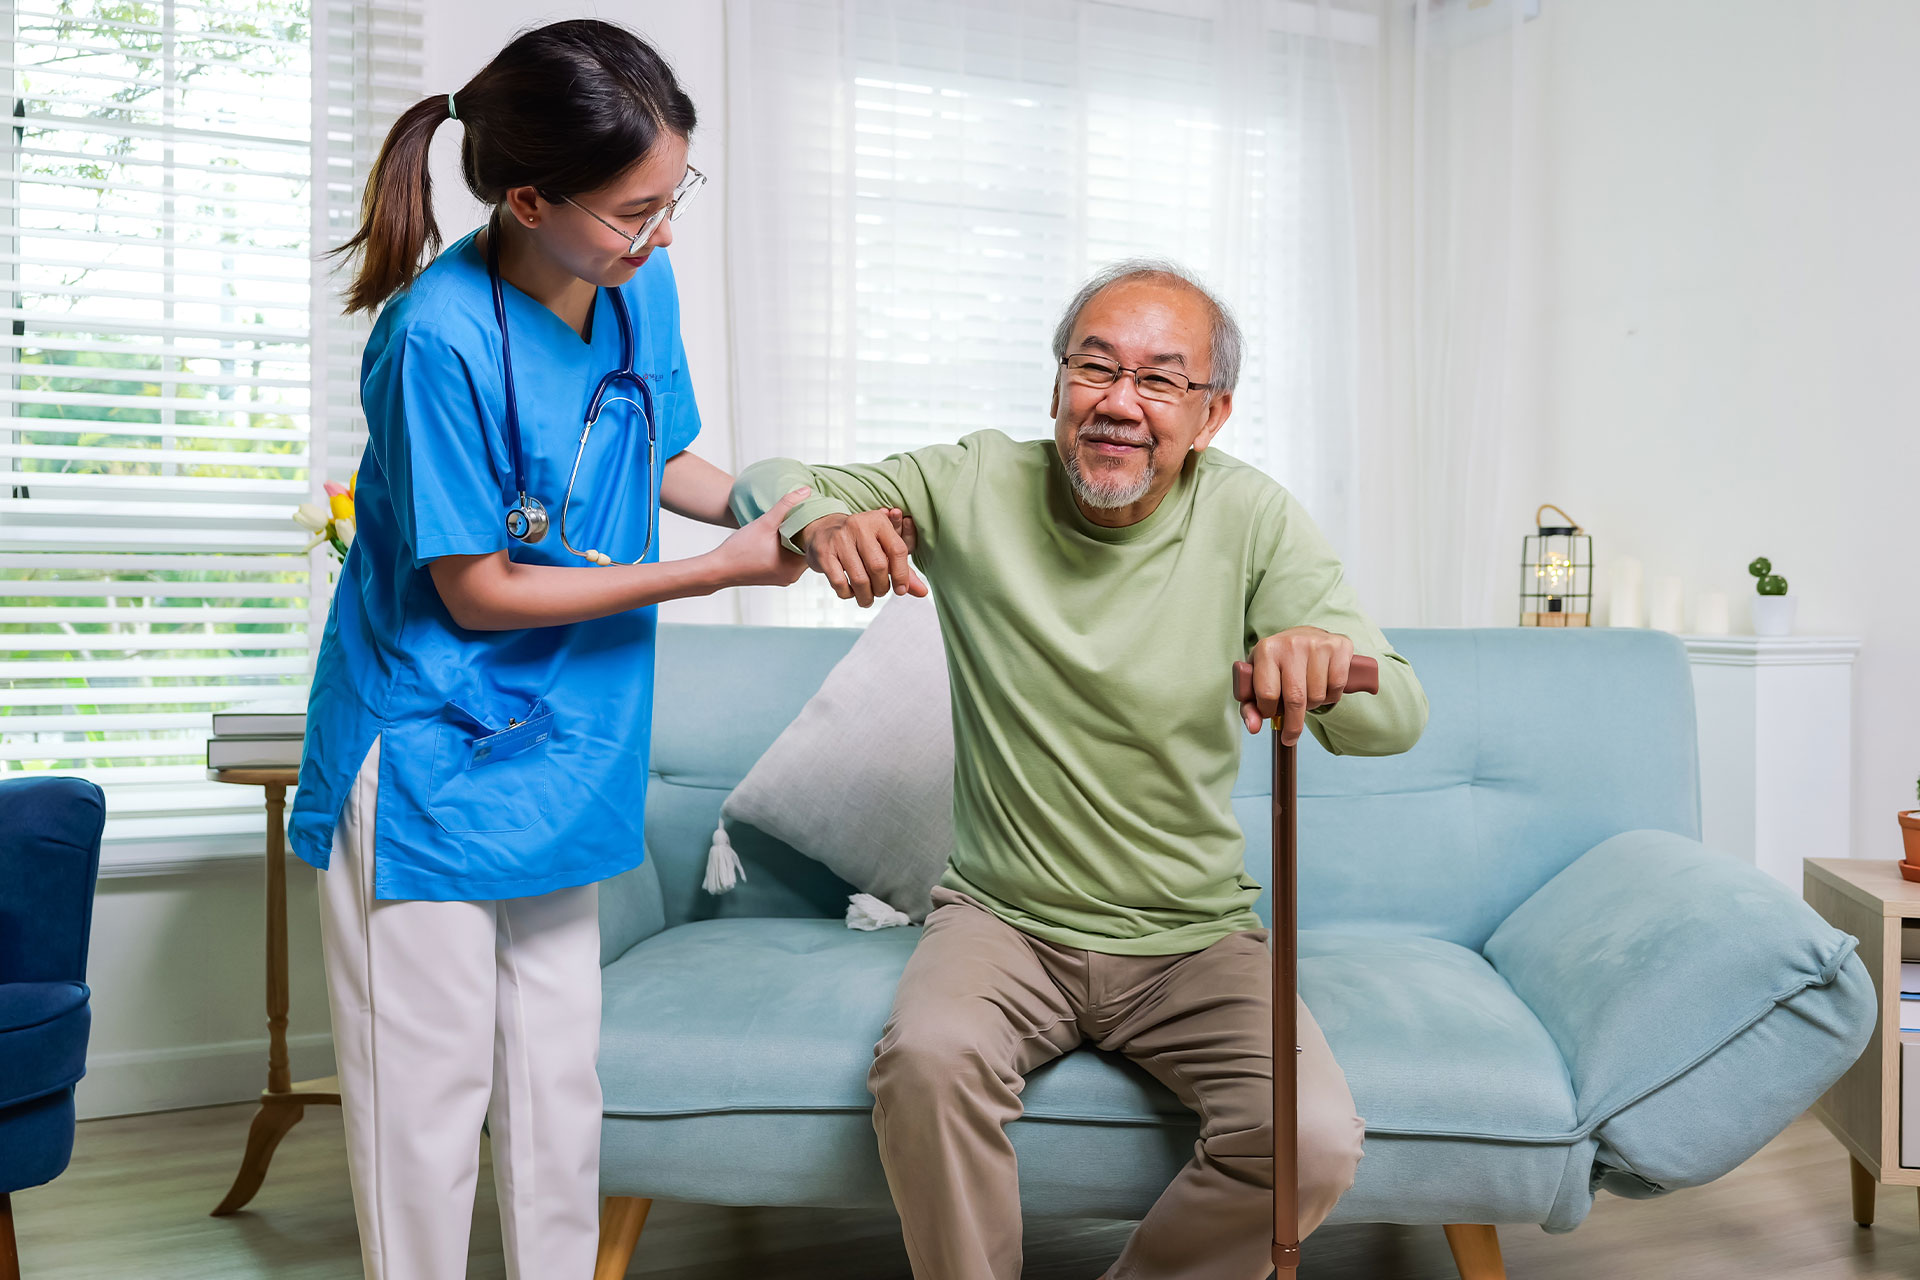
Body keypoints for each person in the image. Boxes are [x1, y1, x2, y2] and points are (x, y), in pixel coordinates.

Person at [730, 260, 1430, 1280]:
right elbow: (771, 475)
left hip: (1193, 933)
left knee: (1310, 1138)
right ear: (1058, 382)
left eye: (1159, 380)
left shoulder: (1254, 519)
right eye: (1094, 367)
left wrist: (1323, 666)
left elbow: (1398, 713)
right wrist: (820, 521)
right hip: (1004, 919)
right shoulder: (975, 479)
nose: (1117, 402)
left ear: (1213, 413)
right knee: (926, 1063)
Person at [286, 20, 819, 1279]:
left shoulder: (636, 281)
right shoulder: (436, 336)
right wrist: (716, 573)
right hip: (424, 750)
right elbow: (472, 589)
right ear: (528, 196)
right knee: (425, 1104)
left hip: (566, 739)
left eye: (672, 194)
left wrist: (779, 510)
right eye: (637, 208)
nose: (663, 232)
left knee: (557, 1095)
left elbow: (665, 451)